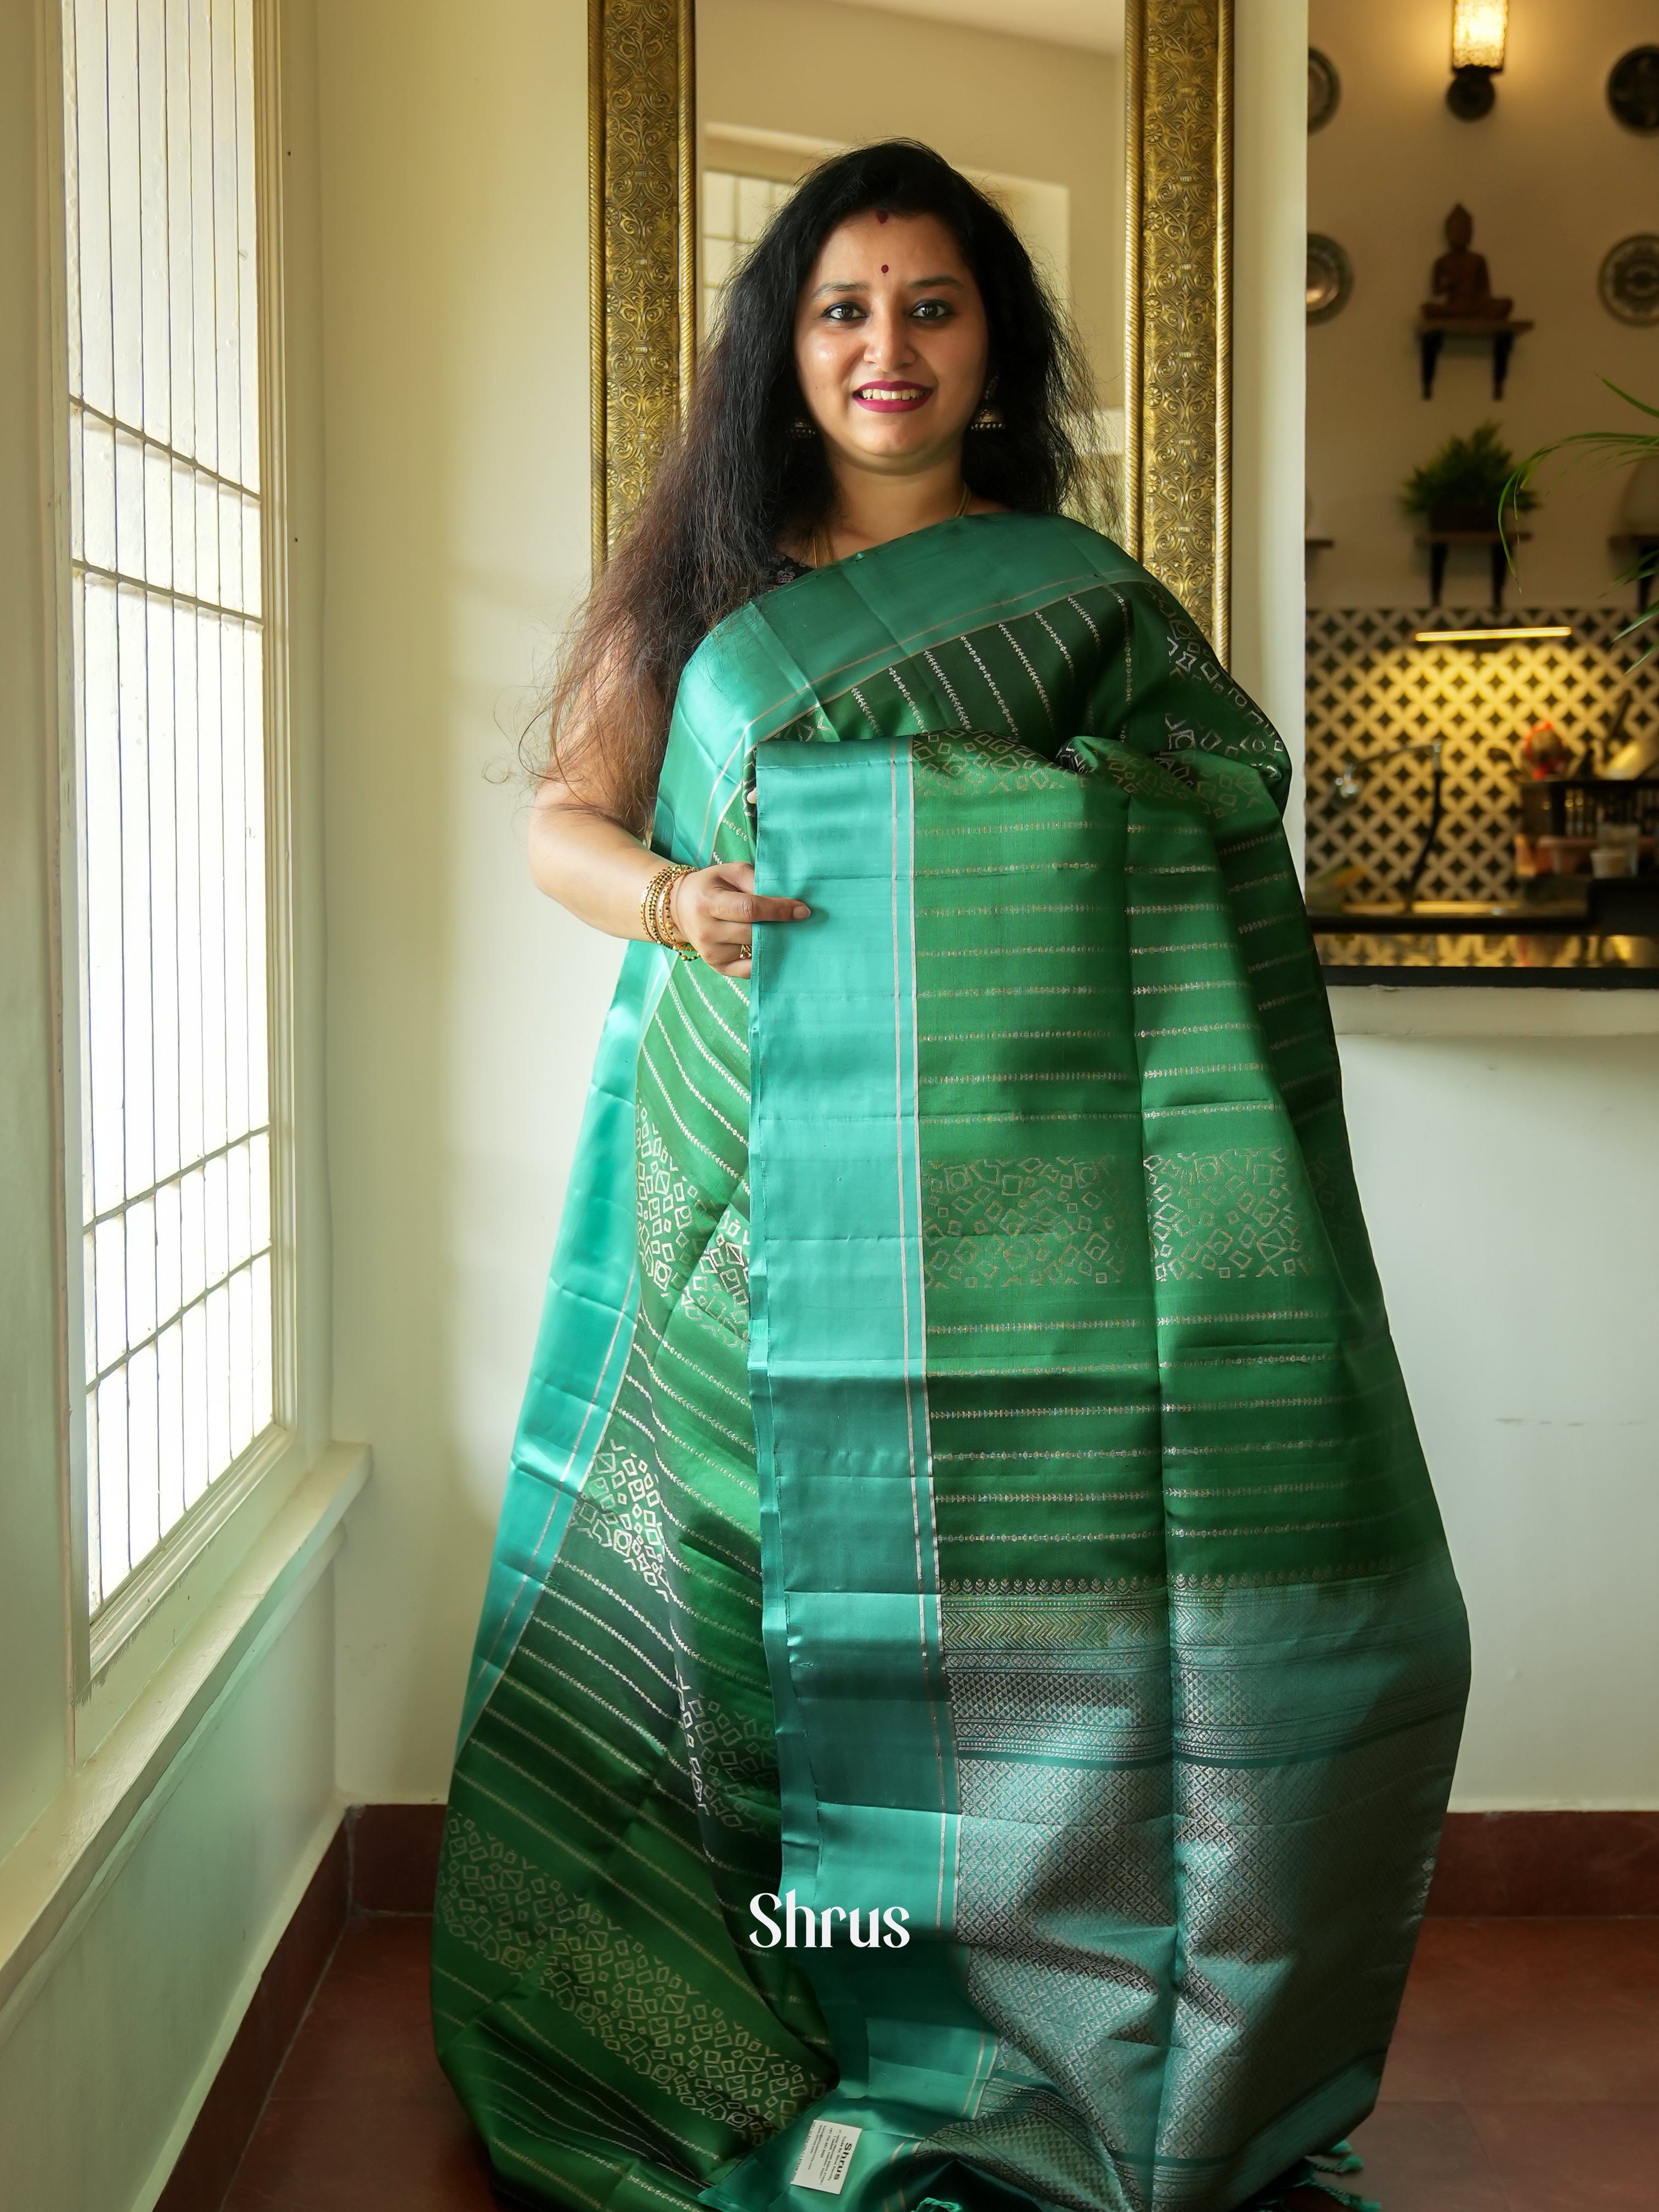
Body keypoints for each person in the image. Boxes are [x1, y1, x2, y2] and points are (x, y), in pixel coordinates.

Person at [431, 140, 1469, 2212]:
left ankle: (993, 2027)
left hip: (1014, 1247)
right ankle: (729, 2025)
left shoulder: (1085, 603)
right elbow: (566, 823)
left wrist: (994, 819)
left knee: (1000, 1652)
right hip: (739, 1205)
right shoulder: (715, 590)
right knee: (729, 1650)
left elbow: (1214, 817)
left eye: (929, 308)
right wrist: (679, 901)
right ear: (784, 348)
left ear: (994, 346)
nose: (883, 348)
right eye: (841, 310)